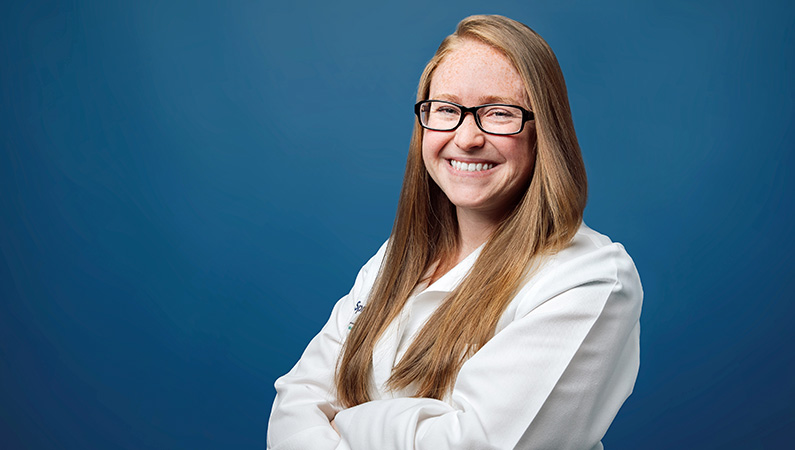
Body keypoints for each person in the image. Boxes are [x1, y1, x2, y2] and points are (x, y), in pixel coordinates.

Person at [266, 14, 642, 450]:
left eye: (498, 113)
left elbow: (475, 446)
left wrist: (348, 424)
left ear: (546, 133)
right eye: (446, 110)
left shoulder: (589, 280)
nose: (466, 138)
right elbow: (295, 403)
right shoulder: (397, 259)